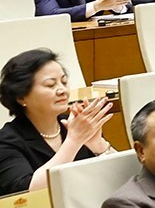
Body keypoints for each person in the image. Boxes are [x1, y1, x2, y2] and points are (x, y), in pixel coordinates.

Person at [0, 50, 115, 193]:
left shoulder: (75, 125)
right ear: (21, 97)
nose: (62, 90)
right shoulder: (6, 142)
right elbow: (26, 193)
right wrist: (74, 141)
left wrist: (99, 146)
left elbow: (123, 176)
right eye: (50, 85)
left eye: (64, 82)